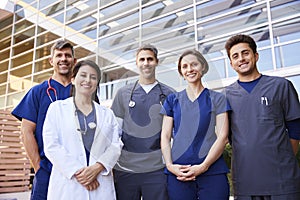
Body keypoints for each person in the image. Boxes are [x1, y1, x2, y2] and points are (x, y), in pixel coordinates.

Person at [224, 34, 300, 200]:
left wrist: (282, 157)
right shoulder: (226, 96)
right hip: (245, 181)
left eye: (246, 53)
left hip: (282, 180)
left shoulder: (281, 86)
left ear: (256, 56)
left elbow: (295, 130)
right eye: (235, 56)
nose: (241, 59)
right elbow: (225, 136)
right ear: (231, 64)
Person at [43, 60, 123, 199]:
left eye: (93, 77)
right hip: (69, 185)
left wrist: (98, 167)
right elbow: (51, 145)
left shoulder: (107, 114)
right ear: (73, 79)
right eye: (83, 75)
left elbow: (115, 145)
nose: (88, 80)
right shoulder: (56, 109)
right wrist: (80, 174)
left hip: (100, 183)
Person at [160, 49, 230, 200]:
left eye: (194, 64)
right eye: (184, 67)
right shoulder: (172, 100)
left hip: (212, 171)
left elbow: (223, 136)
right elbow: (165, 136)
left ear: (203, 67)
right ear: (181, 72)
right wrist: (170, 166)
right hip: (179, 172)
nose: (189, 69)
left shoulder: (218, 99)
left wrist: (203, 166)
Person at [11, 40, 76, 199]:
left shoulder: (83, 91)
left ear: (74, 61)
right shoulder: (38, 92)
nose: (63, 59)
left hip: (77, 169)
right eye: (59, 55)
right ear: (51, 61)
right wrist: (38, 167)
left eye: (67, 55)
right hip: (47, 169)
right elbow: (26, 131)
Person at [111, 44, 174, 200]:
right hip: (126, 169)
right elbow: (114, 133)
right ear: (137, 63)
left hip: (157, 170)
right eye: (142, 59)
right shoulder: (123, 93)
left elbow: (174, 133)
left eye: (150, 59)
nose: (146, 63)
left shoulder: (170, 94)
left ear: (156, 62)